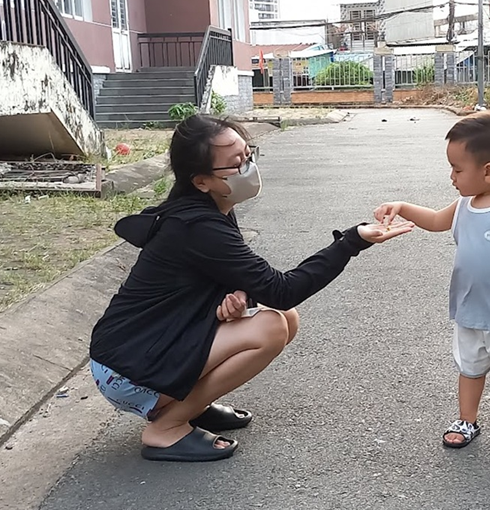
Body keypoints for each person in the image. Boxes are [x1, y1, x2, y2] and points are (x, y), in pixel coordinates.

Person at [89, 115, 413, 462]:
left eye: (248, 155)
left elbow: (233, 275)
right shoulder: (197, 226)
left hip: (145, 350)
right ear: (201, 181)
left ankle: (191, 406)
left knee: (285, 318)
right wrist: (351, 241)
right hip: (125, 370)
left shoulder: (213, 208)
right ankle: (166, 427)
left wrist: (240, 293)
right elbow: (281, 289)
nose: (247, 167)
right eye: (235, 164)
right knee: (272, 325)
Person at [375, 112, 490, 450]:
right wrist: (403, 207)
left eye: (457, 169)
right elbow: (438, 220)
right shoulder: (465, 203)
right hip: (470, 311)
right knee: (470, 369)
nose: (451, 176)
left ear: (488, 171)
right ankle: (467, 421)